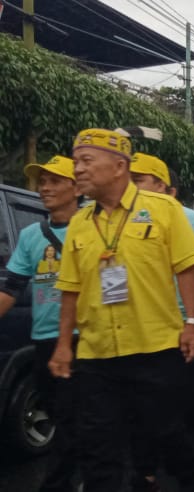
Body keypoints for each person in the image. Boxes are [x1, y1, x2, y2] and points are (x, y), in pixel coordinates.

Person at [48, 128, 194, 491]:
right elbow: (70, 289)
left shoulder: (164, 210)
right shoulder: (79, 224)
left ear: (119, 166)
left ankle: (188, 473)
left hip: (156, 348)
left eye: (87, 161)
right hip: (96, 353)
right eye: (77, 162)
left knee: (165, 432)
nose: (79, 170)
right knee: (98, 445)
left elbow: (188, 268)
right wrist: (62, 344)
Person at [128, 152, 194, 489]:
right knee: (145, 408)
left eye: (139, 180)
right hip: (143, 329)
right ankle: (147, 472)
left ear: (164, 187)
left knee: (191, 403)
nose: (131, 187)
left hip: (185, 326)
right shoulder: (121, 222)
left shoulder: (191, 220)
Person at [0, 156, 80, 492]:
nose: (44, 188)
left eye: (54, 181)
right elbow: (11, 286)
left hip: (86, 338)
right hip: (44, 339)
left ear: (75, 187)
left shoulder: (94, 228)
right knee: (63, 417)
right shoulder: (33, 235)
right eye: (41, 182)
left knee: (78, 417)